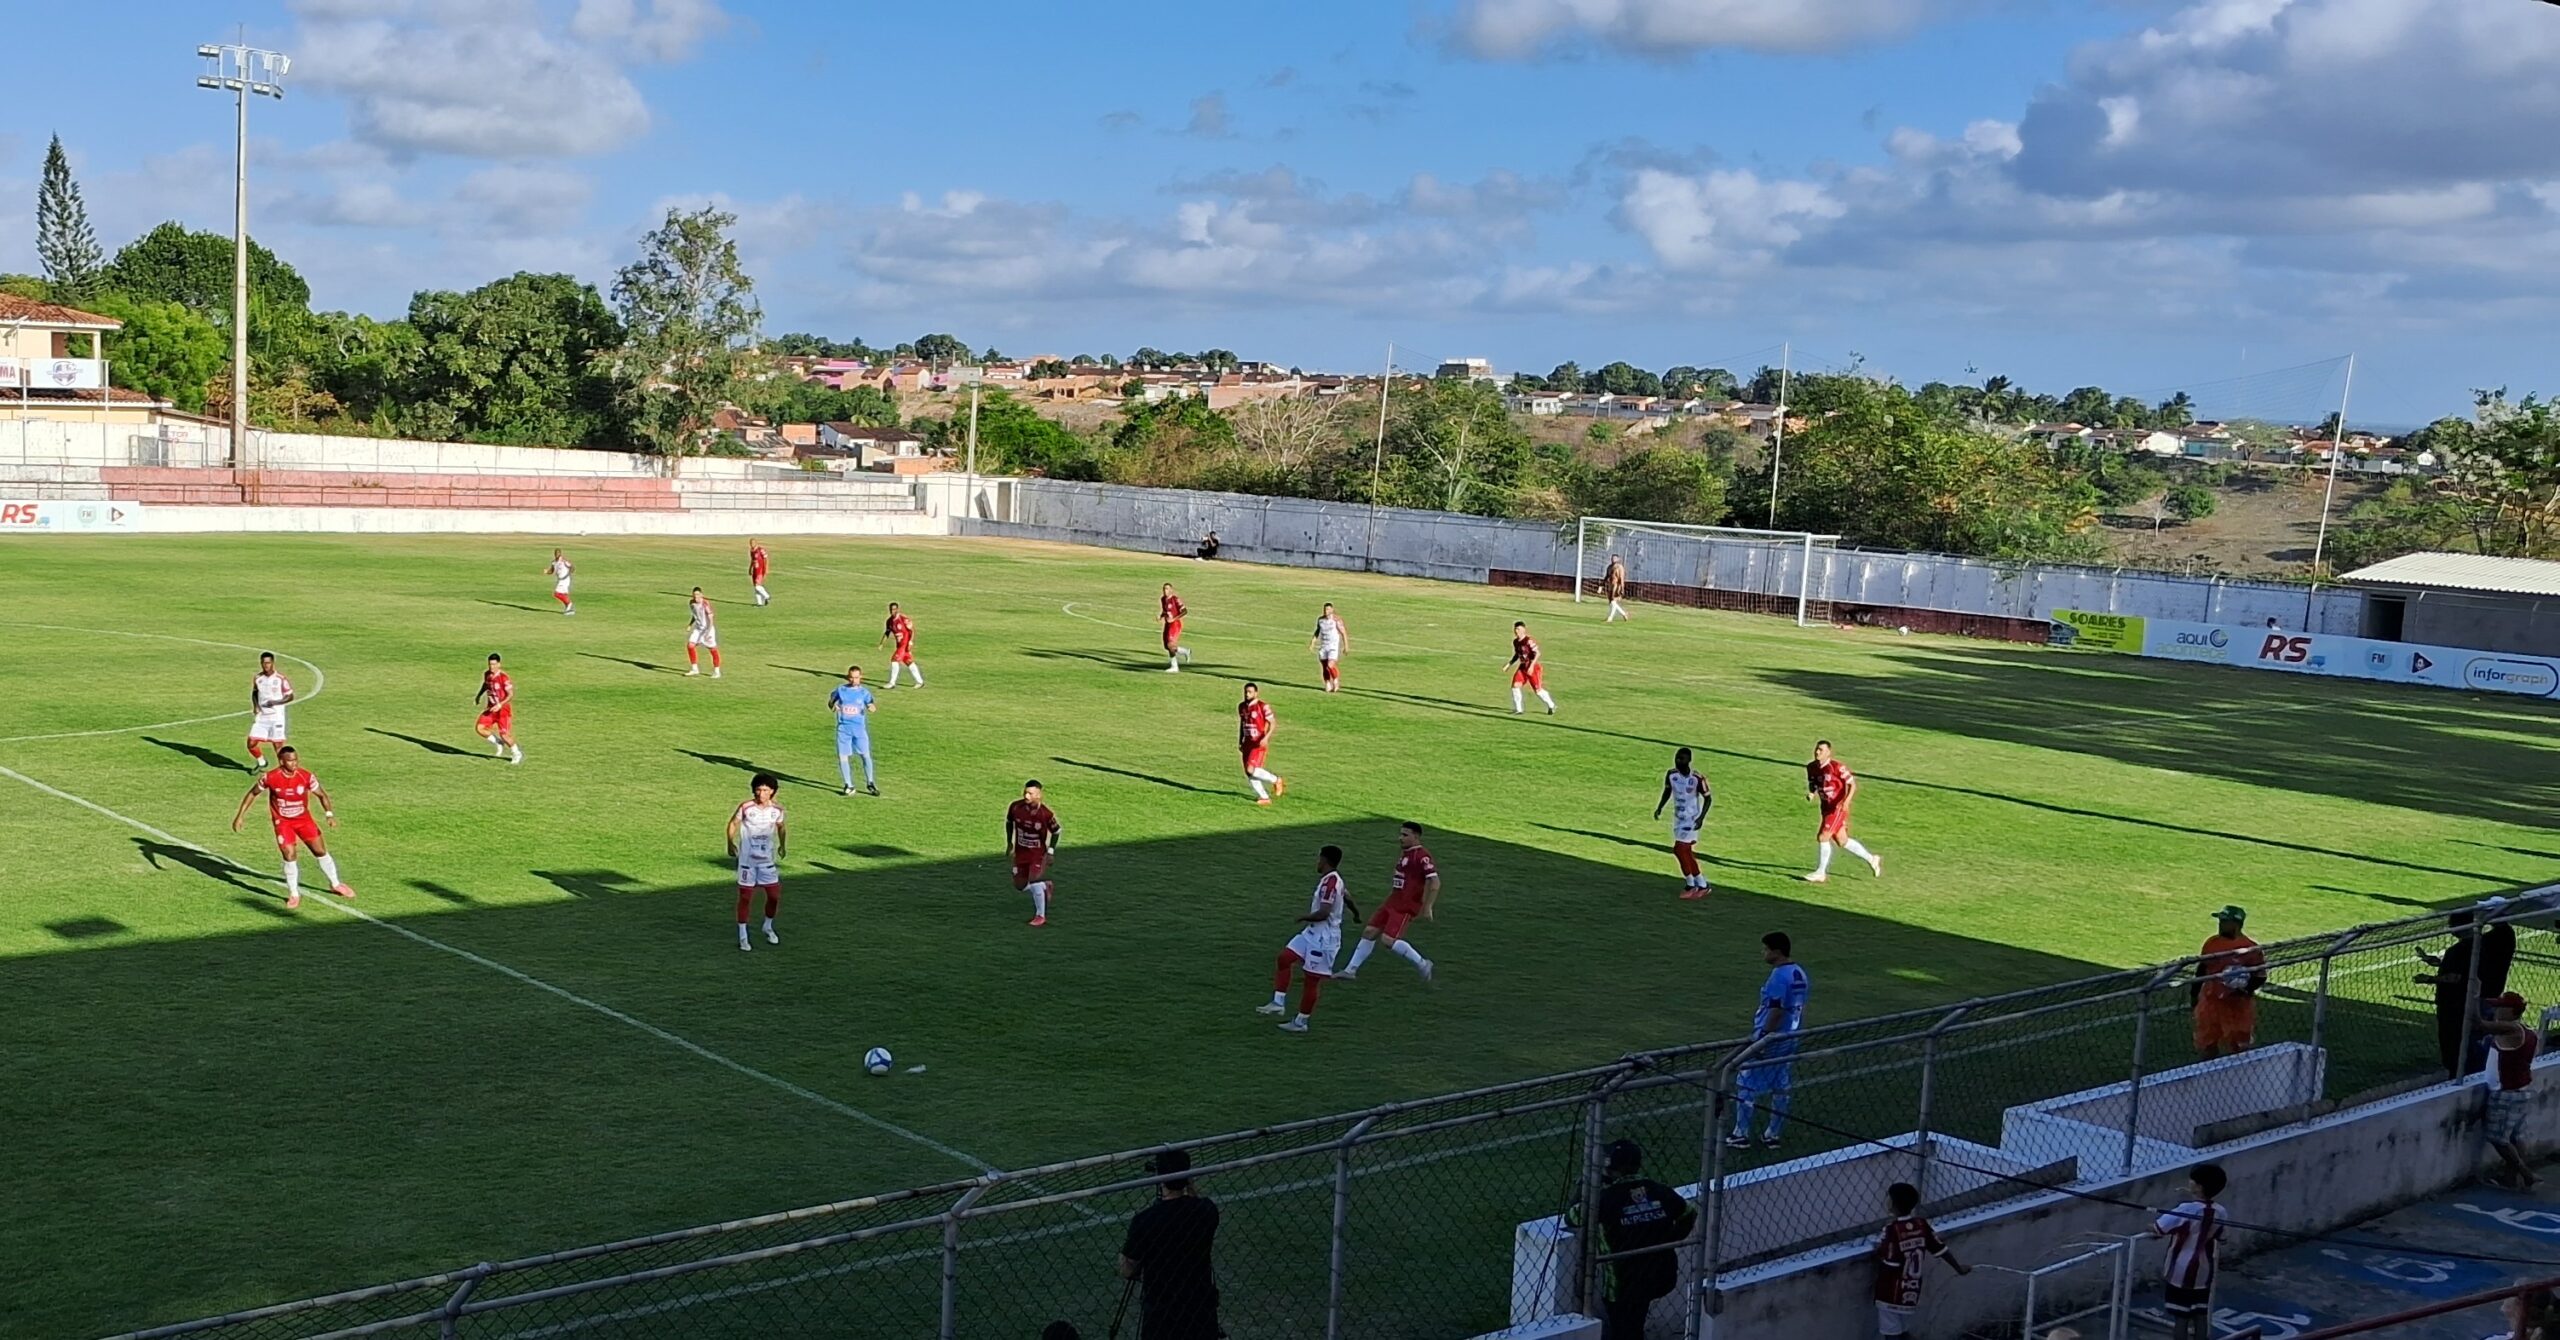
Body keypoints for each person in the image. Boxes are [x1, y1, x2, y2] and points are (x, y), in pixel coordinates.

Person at [1583, 1139, 1695, 1340]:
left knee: (1623, 1327)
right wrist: (1669, 1240)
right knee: (1635, 1320)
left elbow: (1574, 1216)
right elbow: (1689, 1212)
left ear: (1610, 1166)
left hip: (1622, 1283)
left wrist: (1585, 1187)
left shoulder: (1607, 1198)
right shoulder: (1656, 1189)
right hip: (1659, 1274)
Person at [229, 744, 352, 910]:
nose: (294, 763)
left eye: (296, 760)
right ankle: (294, 894)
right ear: (281, 761)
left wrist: (329, 815)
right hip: (283, 822)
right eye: (290, 761)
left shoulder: (305, 776)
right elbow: (252, 793)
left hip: (304, 820)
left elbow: (322, 795)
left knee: (320, 851)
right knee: (289, 854)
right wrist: (240, 816)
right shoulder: (271, 778)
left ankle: (335, 884)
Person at [1118, 1147, 1222, 1340]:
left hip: (1161, 1316)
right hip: (1200, 1311)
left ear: (1159, 1178)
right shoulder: (1206, 1211)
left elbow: (1128, 1269)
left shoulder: (1145, 1220)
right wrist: (1188, 1182)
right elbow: (1196, 1201)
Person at [1259, 845, 1352, 1032]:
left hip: (1324, 939)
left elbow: (1324, 913)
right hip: (1311, 934)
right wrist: (1356, 914)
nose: (1317, 862)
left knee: (1311, 981)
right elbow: (1347, 896)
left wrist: (1303, 917)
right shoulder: (1333, 880)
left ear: (1325, 860)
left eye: (1319, 858)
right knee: (1284, 958)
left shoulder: (1330, 883)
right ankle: (1278, 1002)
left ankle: (1301, 1022)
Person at [1729, 932, 1808, 1149]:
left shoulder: (1779, 976)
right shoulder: (1799, 972)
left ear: (1777, 951)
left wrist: (1762, 1038)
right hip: (1790, 1036)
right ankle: (1773, 1134)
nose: (1763, 953)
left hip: (1771, 1037)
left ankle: (1741, 1133)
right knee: (1780, 1083)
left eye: (1765, 949)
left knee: (1746, 1081)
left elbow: (1776, 1010)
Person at [1339, 822, 1436, 982]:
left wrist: (1428, 907)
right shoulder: (1406, 853)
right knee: (1369, 932)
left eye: (1405, 835)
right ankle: (1350, 971)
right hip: (1392, 901)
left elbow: (1435, 882)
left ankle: (1423, 963)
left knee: (1388, 940)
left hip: (1405, 905)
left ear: (1416, 836)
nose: (1400, 838)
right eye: (1400, 834)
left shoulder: (1422, 856)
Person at [1873, 1181, 1969, 1338]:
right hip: (1911, 1290)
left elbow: (1890, 1262)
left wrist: (1877, 1253)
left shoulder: (1892, 1230)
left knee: (1891, 1334)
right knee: (1904, 1332)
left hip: (1891, 1292)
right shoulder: (1921, 1224)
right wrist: (1958, 1268)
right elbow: (1940, 1248)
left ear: (1893, 1204)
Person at [2146, 1163, 2227, 1340]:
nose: (2189, 1182)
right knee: (2200, 1313)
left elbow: (2159, 1228)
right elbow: (2222, 1236)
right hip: (2204, 1270)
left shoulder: (2186, 1209)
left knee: (2181, 1316)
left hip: (2180, 1270)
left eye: (2193, 1181)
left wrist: (2150, 1227)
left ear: (2198, 1187)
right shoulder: (2220, 1211)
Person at [2481, 990, 2542, 1191]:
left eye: (2500, 1006)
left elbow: (2478, 1025)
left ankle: (2526, 1174)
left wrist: (2472, 999)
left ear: (2511, 1011)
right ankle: (2510, 1178)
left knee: (2498, 1138)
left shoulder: (2512, 1031)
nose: (2496, 1010)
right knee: (2516, 1137)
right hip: (2521, 1090)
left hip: (2505, 1093)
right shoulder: (2527, 1032)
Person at [1804, 740, 1881, 883]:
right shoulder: (1811, 767)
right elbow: (1813, 783)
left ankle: (1821, 872)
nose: (1817, 752)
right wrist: (1811, 793)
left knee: (1823, 837)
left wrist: (1846, 801)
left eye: (1821, 750)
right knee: (1842, 840)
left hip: (1837, 808)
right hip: (1826, 808)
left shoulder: (1837, 767)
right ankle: (1872, 859)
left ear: (1828, 752)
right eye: (1816, 749)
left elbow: (1852, 784)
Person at [2194, 905, 2266, 1059]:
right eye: (2220, 921)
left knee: (2239, 1046)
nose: (2220, 925)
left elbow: (2260, 976)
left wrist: (2245, 990)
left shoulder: (2250, 948)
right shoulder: (2211, 943)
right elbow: (2202, 969)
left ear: (2236, 924)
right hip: (2211, 1002)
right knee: (2207, 1043)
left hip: (2237, 1006)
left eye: (2224, 921)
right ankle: (2208, 1073)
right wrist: (2194, 995)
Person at [2419, 909, 2483, 1078]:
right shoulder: (2478, 944)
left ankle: (2457, 1076)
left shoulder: (2459, 949)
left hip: (2453, 1004)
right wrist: (2434, 962)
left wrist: (2429, 979)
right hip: (2469, 999)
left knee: (2453, 1043)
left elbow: (2455, 977)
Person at [726, 773, 786, 951]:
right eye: (758, 789)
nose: (761, 793)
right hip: (747, 862)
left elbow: (781, 827)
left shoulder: (777, 810)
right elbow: (732, 824)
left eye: (765, 790)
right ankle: (743, 936)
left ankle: (768, 926)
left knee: (774, 896)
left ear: (772, 791)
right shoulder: (746, 807)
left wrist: (782, 845)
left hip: (767, 862)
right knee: (745, 898)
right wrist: (730, 843)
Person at [1654, 747, 1714, 899]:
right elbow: (1667, 791)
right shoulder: (1671, 775)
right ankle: (1701, 884)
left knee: (1680, 849)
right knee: (1685, 852)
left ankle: (1691, 884)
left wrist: (1701, 818)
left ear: (1689, 760)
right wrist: (1660, 807)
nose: (1678, 761)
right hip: (1678, 819)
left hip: (1691, 819)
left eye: (1682, 758)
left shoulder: (1697, 779)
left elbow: (1708, 798)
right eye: (1677, 758)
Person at [1008, 780, 1062, 927]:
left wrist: (1050, 852)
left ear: (1038, 795)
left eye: (1030, 793)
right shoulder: (1015, 807)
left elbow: (1057, 831)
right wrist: (1009, 843)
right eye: (1025, 792)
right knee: (1020, 885)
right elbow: (1009, 822)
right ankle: (1046, 886)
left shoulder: (1045, 814)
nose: (1026, 796)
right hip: (1021, 853)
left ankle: (1040, 916)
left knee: (1033, 880)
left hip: (1037, 854)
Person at [829, 665, 879, 797]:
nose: (854, 680)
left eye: (856, 678)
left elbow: (871, 704)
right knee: (843, 756)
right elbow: (831, 701)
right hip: (843, 728)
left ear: (861, 677)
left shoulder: (864, 692)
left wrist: (871, 707)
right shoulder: (841, 690)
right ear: (848, 677)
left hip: (859, 729)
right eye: (851, 677)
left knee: (865, 755)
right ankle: (848, 785)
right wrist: (833, 705)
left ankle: (870, 782)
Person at [1237, 682, 1285, 805]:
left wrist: (1266, 738)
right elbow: (1242, 725)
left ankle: (1276, 780)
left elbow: (1273, 723)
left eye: (1250, 692)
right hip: (1247, 743)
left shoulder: (1262, 706)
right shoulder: (1242, 707)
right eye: (1246, 692)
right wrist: (1240, 740)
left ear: (1256, 693)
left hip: (1258, 743)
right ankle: (1264, 797)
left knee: (1251, 769)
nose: (1247, 694)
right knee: (1249, 772)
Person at [246, 650, 294, 770]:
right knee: (251, 743)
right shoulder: (258, 678)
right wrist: (255, 706)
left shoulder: (280, 679)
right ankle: (261, 761)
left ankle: (283, 770)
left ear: (273, 663)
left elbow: (290, 696)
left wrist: (276, 702)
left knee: (277, 745)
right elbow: (255, 692)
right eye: (264, 663)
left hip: (276, 717)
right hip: (262, 717)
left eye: (268, 663)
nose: (266, 665)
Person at [475, 652, 523, 765]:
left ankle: (516, 753)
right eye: (490, 664)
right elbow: (485, 685)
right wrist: (479, 695)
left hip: (503, 711)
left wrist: (500, 704)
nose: (492, 667)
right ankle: (498, 742)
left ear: (499, 664)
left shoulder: (503, 678)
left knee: (505, 735)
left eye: (494, 664)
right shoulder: (487, 674)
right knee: (480, 728)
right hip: (491, 709)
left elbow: (510, 694)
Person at [1506, 621, 1557, 715]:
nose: (1517, 631)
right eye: (1515, 629)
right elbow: (1517, 654)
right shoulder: (1516, 642)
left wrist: (1532, 666)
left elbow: (1538, 653)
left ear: (1523, 630)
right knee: (1515, 686)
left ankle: (1551, 705)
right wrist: (1509, 664)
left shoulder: (1528, 641)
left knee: (1538, 691)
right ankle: (1519, 709)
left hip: (1533, 668)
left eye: (1519, 629)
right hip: (1523, 667)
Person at [879, 601, 925, 688]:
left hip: (904, 645)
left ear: (897, 609)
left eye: (894, 609)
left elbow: (912, 631)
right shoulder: (889, 621)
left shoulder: (904, 620)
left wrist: (910, 642)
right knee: (909, 662)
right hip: (899, 645)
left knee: (894, 660)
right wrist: (882, 643)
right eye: (891, 610)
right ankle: (920, 682)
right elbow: (887, 633)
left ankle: (892, 683)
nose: (892, 611)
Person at [685, 587, 723, 678]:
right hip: (698, 629)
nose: (696, 597)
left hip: (707, 629)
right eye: (694, 595)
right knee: (690, 646)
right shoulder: (692, 603)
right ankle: (695, 669)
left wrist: (709, 631)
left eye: (698, 595)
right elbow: (695, 615)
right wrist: (690, 625)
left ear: (701, 595)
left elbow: (710, 618)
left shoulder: (705, 604)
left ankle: (717, 671)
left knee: (712, 649)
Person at [1310, 602, 1347, 692]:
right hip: (1324, 645)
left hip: (1333, 646)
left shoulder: (1336, 620)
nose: (1326, 611)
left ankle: (1335, 681)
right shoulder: (1321, 620)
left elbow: (1343, 633)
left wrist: (1346, 646)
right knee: (1324, 666)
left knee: (1330, 665)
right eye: (1325, 609)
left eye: (1328, 609)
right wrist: (1312, 642)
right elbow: (1317, 631)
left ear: (1332, 610)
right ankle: (1327, 683)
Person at [1160, 584, 1190, 673]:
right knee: (1167, 646)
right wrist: (1161, 616)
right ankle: (1185, 651)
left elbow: (1185, 611)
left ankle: (1174, 667)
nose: (1165, 591)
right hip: (1168, 624)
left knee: (1170, 645)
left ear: (1171, 590)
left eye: (1167, 589)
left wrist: (1174, 618)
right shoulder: (1163, 599)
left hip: (1175, 624)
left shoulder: (1175, 599)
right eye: (1164, 589)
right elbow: (1165, 611)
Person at [545, 548, 574, 616]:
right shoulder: (554, 562)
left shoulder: (564, 561)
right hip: (559, 580)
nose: (557, 555)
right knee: (564, 594)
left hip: (565, 580)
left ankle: (569, 604)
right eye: (555, 553)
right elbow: (551, 571)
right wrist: (546, 572)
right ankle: (569, 609)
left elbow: (572, 567)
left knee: (557, 594)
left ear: (560, 553)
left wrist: (568, 574)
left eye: (558, 553)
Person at [1602, 554, 1630, 623]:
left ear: (1618, 559)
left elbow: (1621, 578)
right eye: (1612, 558)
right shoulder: (1609, 567)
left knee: (1613, 601)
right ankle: (1624, 614)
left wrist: (1622, 588)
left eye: (1615, 558)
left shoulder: (1620, 567)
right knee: (1611, 602)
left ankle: (1610, 618)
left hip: (1616, 586)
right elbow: (1607, 576)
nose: (1613, 559)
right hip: (1610, 586)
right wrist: (1601, 584)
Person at [748, 539, 771, 606]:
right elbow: (752, 560)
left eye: (753, 543)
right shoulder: (751, 551)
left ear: (756, 543)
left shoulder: (760, 550)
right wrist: (750, 569)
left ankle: (767, 596)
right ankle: (759, 603)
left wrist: (766, 568)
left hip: (760, 570)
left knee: (757, 586)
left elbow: (766, 558)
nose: (751, 544)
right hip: (755, 570)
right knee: (756, 587)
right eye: (750, 543)